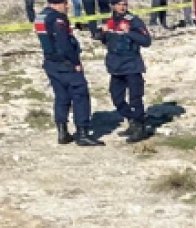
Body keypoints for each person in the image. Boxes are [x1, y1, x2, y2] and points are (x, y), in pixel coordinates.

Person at [35, 0, 102, 146]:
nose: (67, 6)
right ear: (58, 4)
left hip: (50, 63)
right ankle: (82, 133)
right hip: (65, 64)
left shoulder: (40, 16)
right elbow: (64, 43)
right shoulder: (58, 19)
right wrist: (76, 63)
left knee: (61, 96)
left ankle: (62, 132)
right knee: (80, 94)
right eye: (65, 3)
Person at [96, 0, 151, 143]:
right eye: (119, 4)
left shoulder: (133, 21)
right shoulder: (109, 21)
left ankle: (140, 127)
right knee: (117, 98)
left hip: (132, 66)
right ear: (113, 6)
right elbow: (103, 39)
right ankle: (132, 120)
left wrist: (129, 32)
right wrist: (102, 33)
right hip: (115, 67)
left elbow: (146, 41)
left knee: (135, 99)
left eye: (125, 4)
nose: (122, 7)